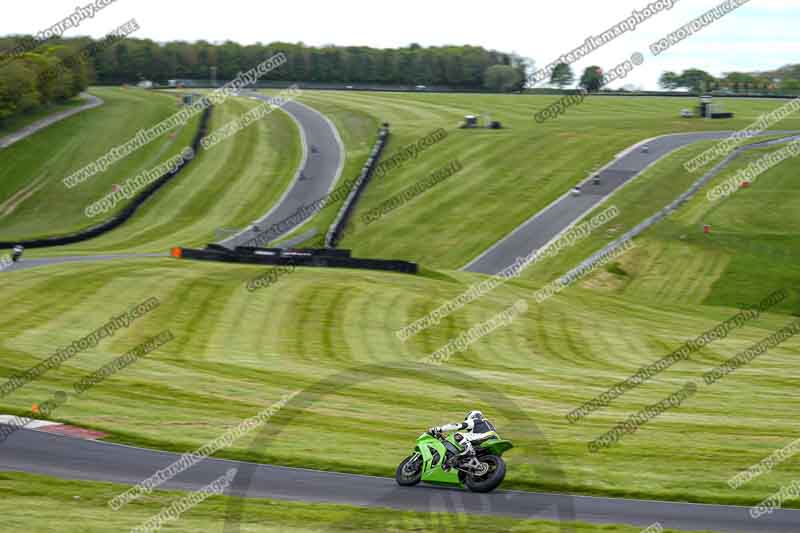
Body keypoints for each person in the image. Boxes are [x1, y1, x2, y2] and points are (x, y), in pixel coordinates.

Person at [428, 411, 499, 458]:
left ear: (471, 416)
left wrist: (440, 429)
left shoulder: (475, 420)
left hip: (485, 436)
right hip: (496, 439)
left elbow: (457, 426)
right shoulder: (487, 424)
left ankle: (468, 449)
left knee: (457, 434)